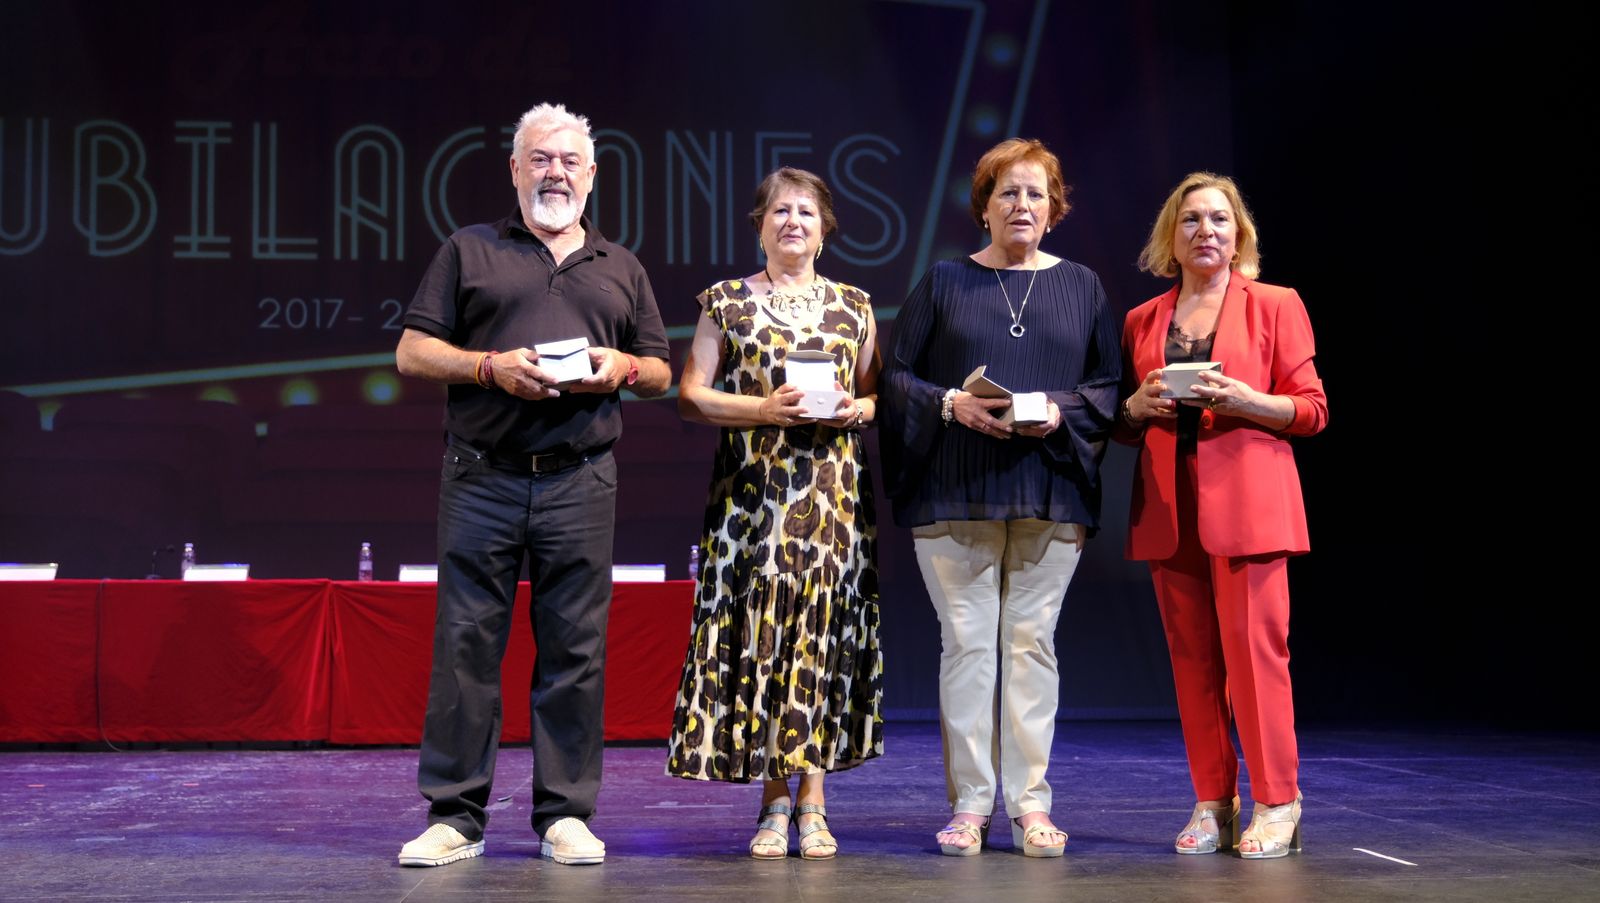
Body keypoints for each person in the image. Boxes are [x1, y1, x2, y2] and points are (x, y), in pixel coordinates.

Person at [393, 102, 671, 868]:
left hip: (580, 479)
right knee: (465, 647)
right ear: (514, 170)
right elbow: (413, 352)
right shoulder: (468, 249)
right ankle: (454, 817)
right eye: (540, 159)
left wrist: (622, 368)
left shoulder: (621, 265)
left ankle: (565, 815)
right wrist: (488, 366)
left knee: (575, 651)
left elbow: (659, 369)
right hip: (481, 477)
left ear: (592, 175)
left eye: (569, 161)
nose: (555, 172)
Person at [881, 139, 1119, 857]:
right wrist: (952, 402)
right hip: (956, 490)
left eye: (1036, 194)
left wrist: (1059, 409)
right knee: (969, 647)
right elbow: (895, 379)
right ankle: (971, 806)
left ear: (1055, 208)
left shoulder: (1082, 285)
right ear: (983, 205)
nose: (1022, 206)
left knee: (1030, 646)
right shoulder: (946, 281)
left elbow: (1109, 388)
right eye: (1008, 193)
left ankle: (1030, 805)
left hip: (1050, 488)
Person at [665, 167, 884, 861]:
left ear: (825, 229)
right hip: (754, 500)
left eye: (807, 213)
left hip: (832, 500)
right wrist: (762, 409)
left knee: (819, 637)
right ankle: (771, 799)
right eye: (780, 211)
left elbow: (875, 396)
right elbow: (691, 396)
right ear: (759, 225)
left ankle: (813, 801)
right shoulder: (726, 301)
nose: (794, 222)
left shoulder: (855, 305)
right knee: (765, 639)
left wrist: (858, 408)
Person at [1118, 172, 1328, 859]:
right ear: (1170, 239)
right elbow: (1126, 419)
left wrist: (1245, 398)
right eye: (1190, 220)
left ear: (1239, 235)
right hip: (1169, 508)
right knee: (1193, 664)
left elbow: (1311, 409)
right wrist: (1132, 410)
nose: (1205, 230)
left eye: (1218, 219)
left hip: (1250, 506)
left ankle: (1278, 800)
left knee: (1255, 659)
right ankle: (1214, 799)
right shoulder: (1143, 320)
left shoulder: (1274, 304)